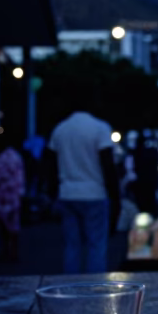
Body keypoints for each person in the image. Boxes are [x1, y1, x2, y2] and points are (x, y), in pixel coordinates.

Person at [45, 110, 121, 274]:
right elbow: (108, 165)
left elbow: (50, 164)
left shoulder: (60, 129)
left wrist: (52, 193)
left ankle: (70, 285)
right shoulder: (99, 128)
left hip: (67, 192)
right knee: (96, 244)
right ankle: (94, 285)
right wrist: (115, 196)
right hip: (95, 192)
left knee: (72, 245)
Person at [0, 132, 25, 263]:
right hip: (14, 195)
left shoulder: (1, 158)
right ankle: (14, 251)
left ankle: (6, 250)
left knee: (4, 224)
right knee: (14, 225)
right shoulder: (15, 156)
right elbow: (20, 176)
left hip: (4, 194)